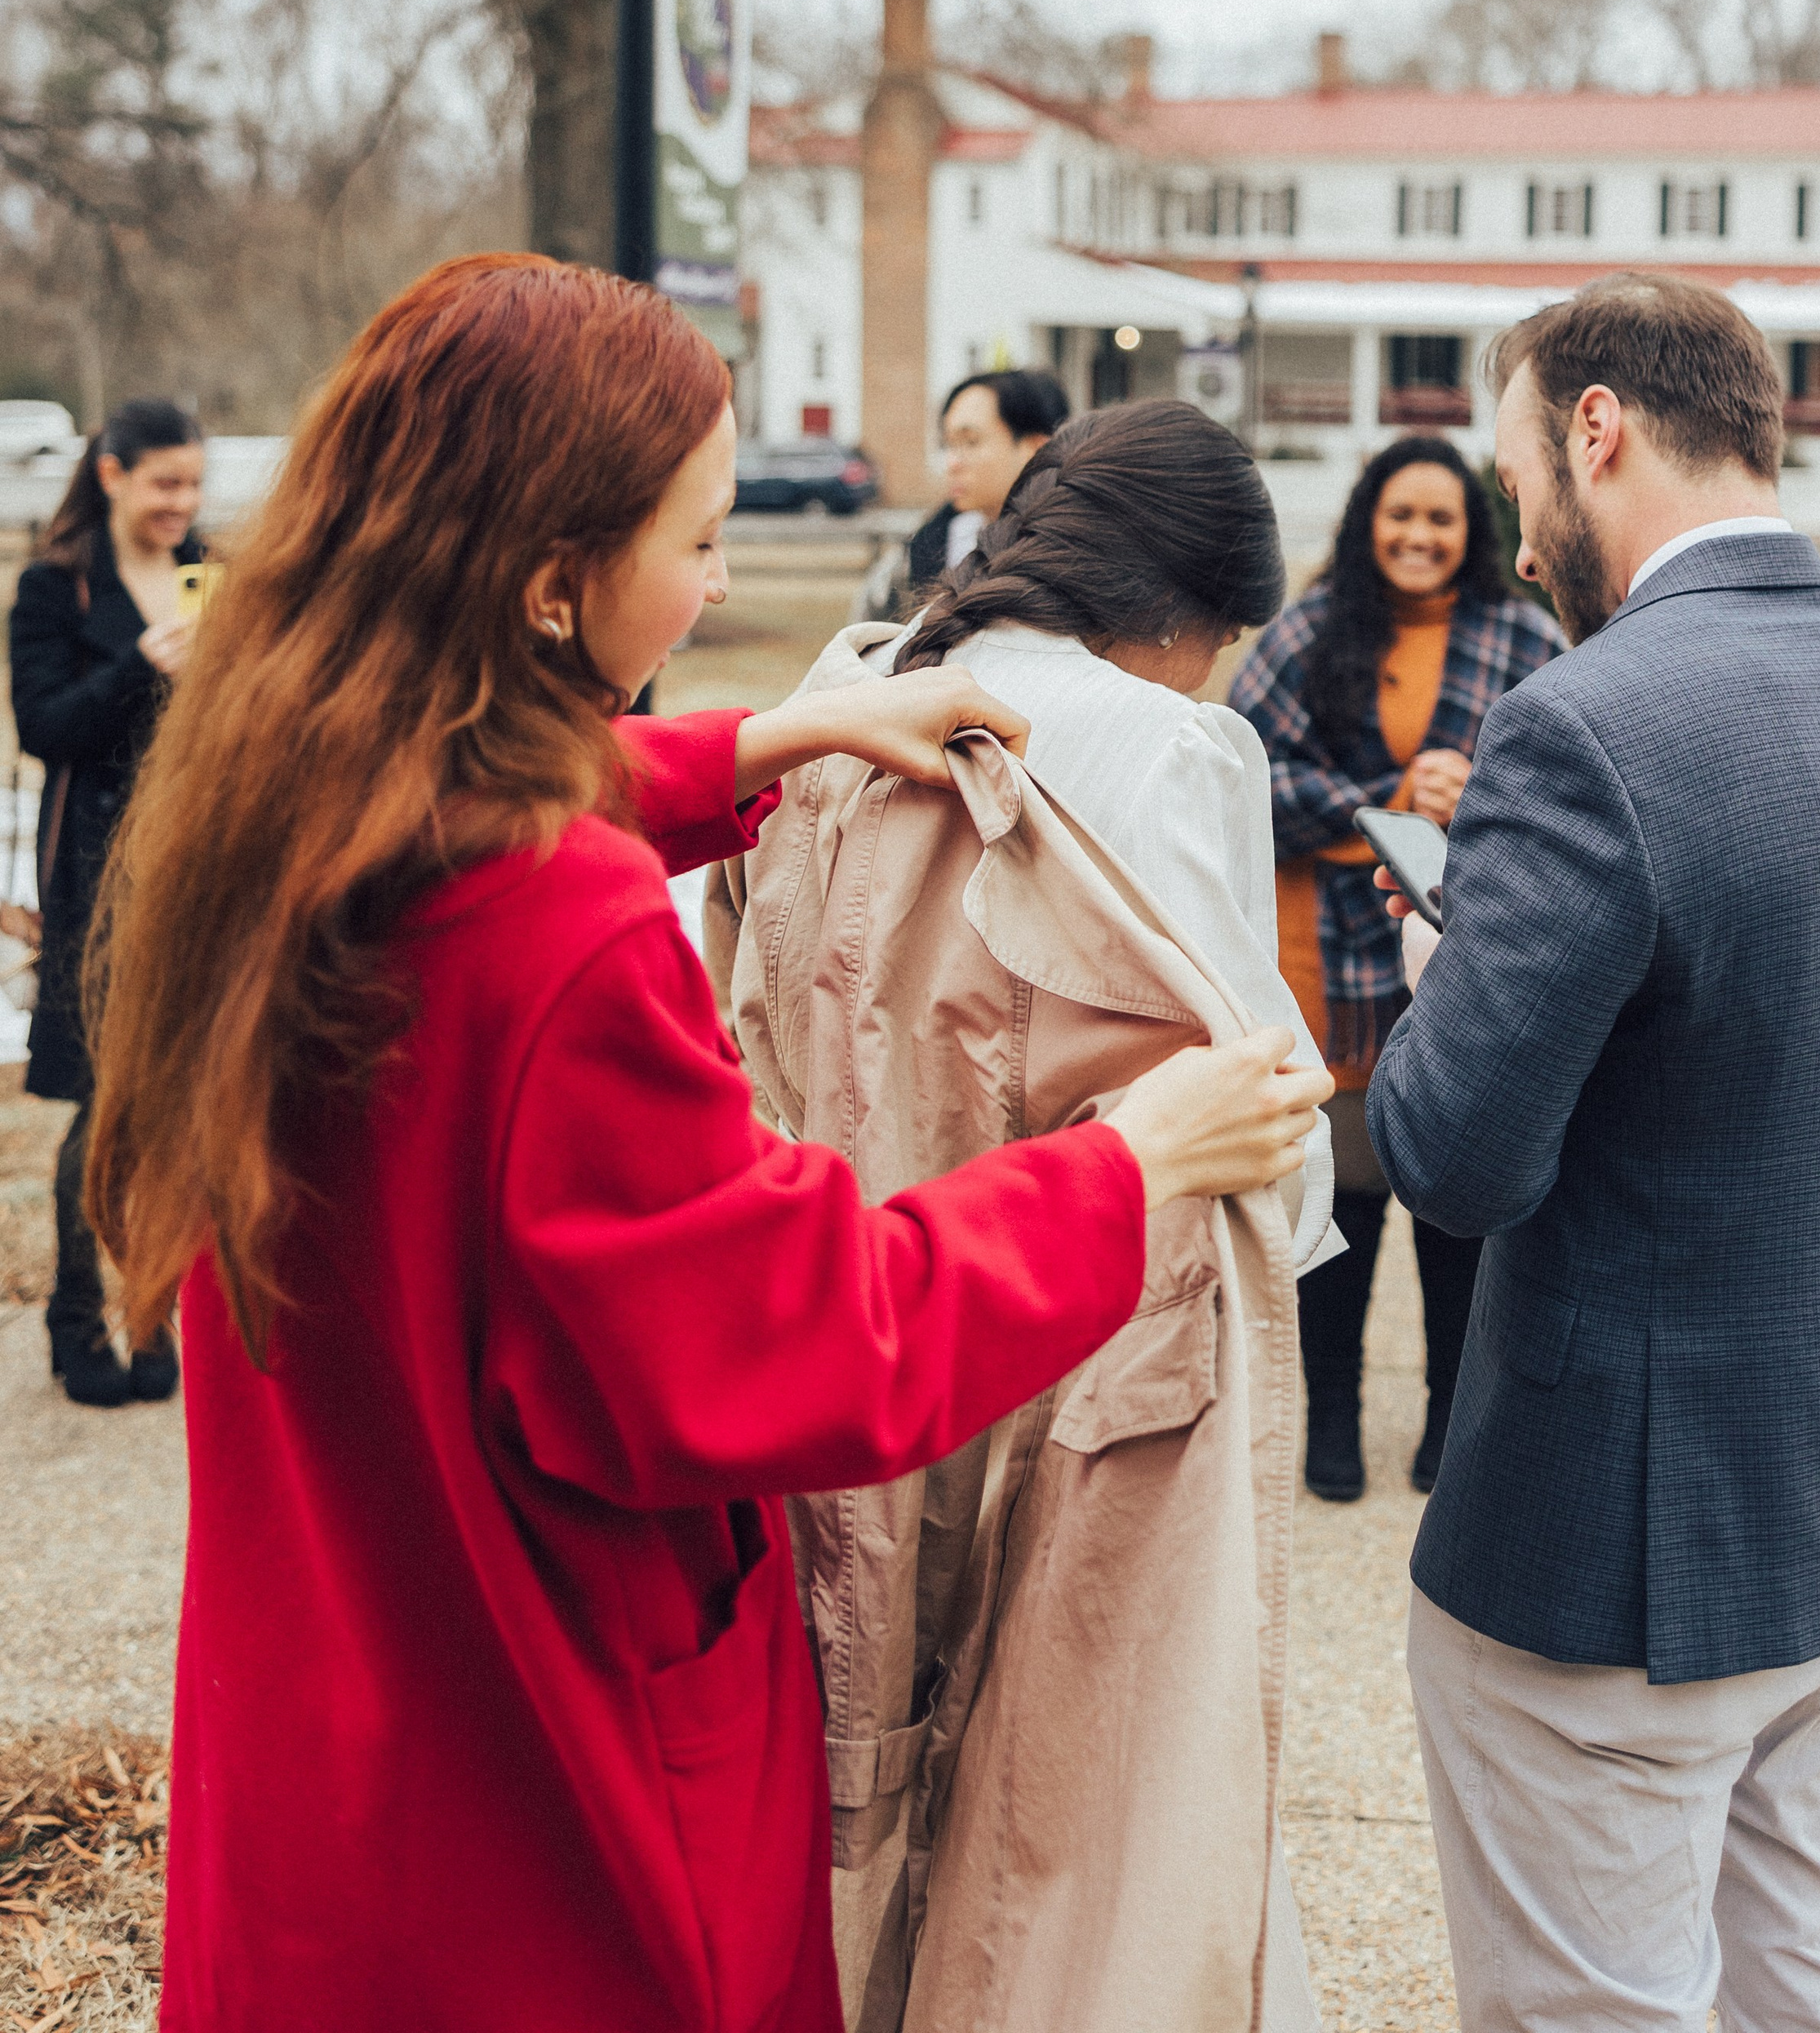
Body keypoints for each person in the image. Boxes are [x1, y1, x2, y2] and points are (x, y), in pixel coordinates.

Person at [84, 255, 1324, 2033]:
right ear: (546, 580)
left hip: (329, 1744)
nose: (726, 582)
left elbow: (463, 806)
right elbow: (816, 1331)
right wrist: (1130, 1167)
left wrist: (766, 732)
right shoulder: (562, 939)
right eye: (702, 541)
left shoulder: (273, 791)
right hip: (540, 1821)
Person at [1367, 274, 1820, 2033]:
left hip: (1611, 1550)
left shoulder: (1579, 726)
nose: (1512, 541)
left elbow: (1453, 1159)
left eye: (1512, 482)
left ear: (1594, 430)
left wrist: (1440, 974)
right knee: (1808, 1977)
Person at [885, 394, 1336, 2032]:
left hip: (872, 1269)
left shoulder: (856, 687)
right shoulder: (1166, 745)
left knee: (872, 1736)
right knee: (1092, 1797)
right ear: (1194, 614)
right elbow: (1246, 1079)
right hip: (1099, 1300)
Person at [1229, 436, 1559, 1501]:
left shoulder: (1524, 638)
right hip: (1326, 969)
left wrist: (1480, 799)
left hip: (1473, 966)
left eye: (1442, 519)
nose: (1419, 537)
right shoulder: (1307, 632)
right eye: (1400, 515)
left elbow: (1571, 794)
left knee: (1458, 1209)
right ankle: (1332, 1426)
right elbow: (1238, 777)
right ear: (1369, 520)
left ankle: (1449, 1431)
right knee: (1346, 1205)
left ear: (1475, 535)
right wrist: (1381, 802)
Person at [10, 397, 205, 1407]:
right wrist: (142, 666)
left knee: (179, 1106)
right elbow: (44, 726)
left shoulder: (199, 569)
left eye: (195, 485)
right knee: (104, 1104)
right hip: (93, 882)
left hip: (192, 868)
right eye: (166, 483)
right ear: (113, 473)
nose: (184, 504)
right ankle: (78, 1321)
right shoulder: (56, 588)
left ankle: (155, 1315)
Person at [905, 366, 1068, 588]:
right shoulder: (936, 544)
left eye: (971, 442)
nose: (952, 463)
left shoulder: (1071, 553)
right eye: (948, 444)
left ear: (1036, 448)